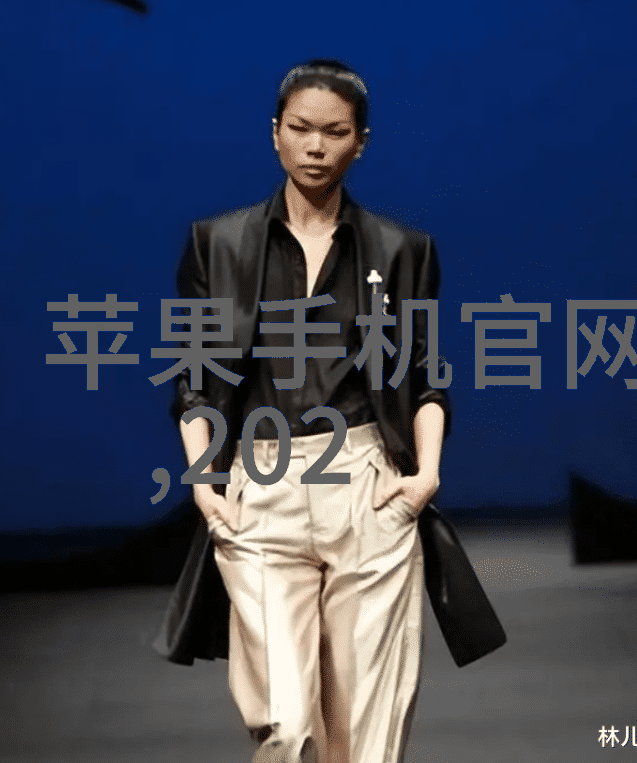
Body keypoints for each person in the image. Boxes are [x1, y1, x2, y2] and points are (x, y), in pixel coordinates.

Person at [171, 59, 450, 763]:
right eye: (300, 128)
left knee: (366, 728)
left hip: (367, 482)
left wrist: (424, 477)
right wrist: (204, 483)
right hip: (259, 485)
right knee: (287, 725)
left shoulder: (402, 250)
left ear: (362, 142)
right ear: (275, 134)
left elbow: (426, 377)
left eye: (335, 132)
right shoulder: (218, 243)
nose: (316, 146)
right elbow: (195, 379)